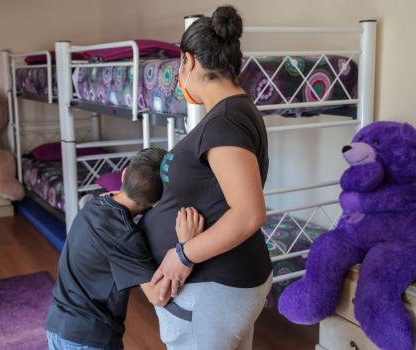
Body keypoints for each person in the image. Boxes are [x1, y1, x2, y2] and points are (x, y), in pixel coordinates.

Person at [139, 5, 273, 350]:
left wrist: (182, 255)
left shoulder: (227, 121)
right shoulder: (233, 113)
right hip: (224, 282)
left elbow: (249, 213)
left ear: (189, 61)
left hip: (216, 283)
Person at [45, 147, 204, 350]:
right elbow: (158, 297)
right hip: (87, 337)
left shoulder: (94, 203)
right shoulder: (125, 237)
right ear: (157, 204)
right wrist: (186, 248)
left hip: (57, 325)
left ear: (123, 174)